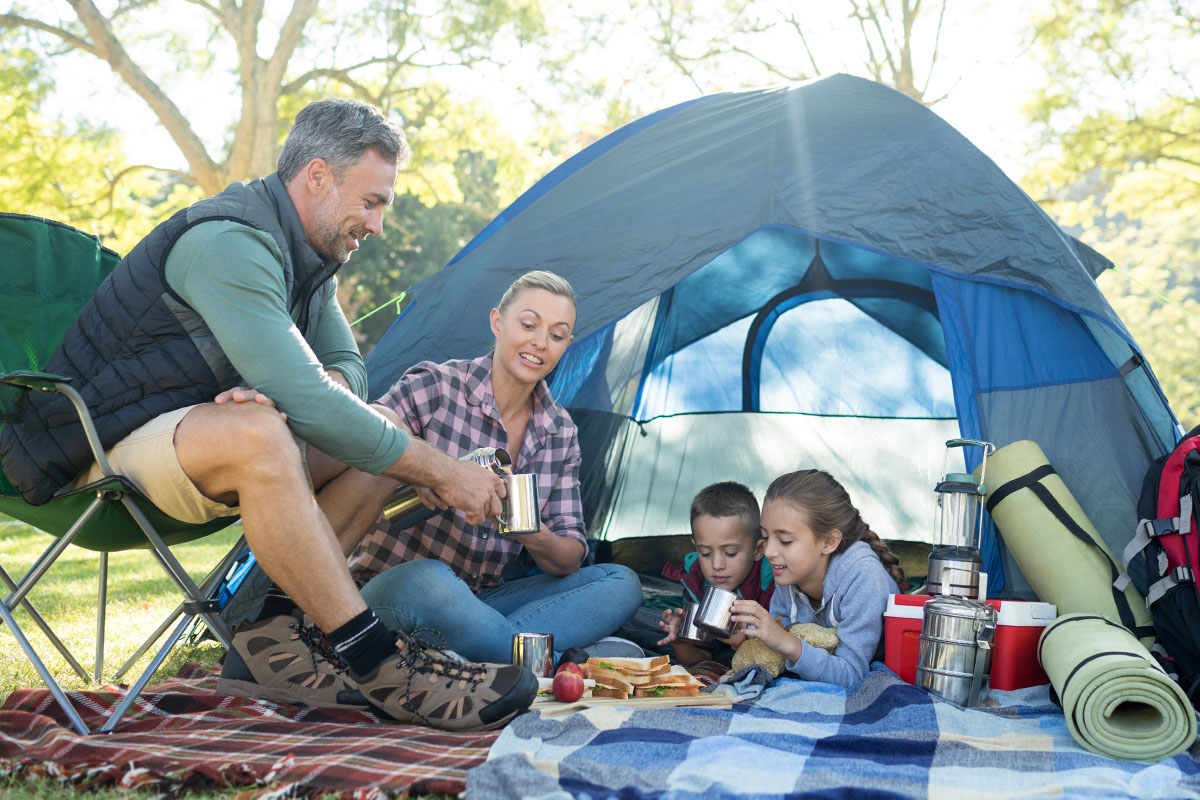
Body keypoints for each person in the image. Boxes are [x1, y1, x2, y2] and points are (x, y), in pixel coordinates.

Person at [0, 98, 537, 731]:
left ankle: (272, 632)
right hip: (93, 453)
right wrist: (441, 471)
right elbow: (310, 401)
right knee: (264, 432)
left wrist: (306, 390)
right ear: (317, 176)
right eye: (372, 201)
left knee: (379, 437)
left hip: (188, 441)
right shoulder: (227, 241)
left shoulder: (311, 265)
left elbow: (346, 374)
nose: (379, 224)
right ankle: (375, 660)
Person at [345, 270, 644, 664]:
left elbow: (570, 556)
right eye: (528, 324)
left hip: (481, 604)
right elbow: (367, 431)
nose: (539, 342)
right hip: (396, 589)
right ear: (497, 322)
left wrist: (531, 532)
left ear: (567, 345)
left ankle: (476, 656)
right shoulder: (437, 386)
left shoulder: (560, 432)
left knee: (620, 582)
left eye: (556, 335)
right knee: (430, 578)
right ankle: (539, 660)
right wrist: (435, 473)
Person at [730, 469, 906, 688]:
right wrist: (747, 639)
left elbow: (851, 674)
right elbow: (777, 652)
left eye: (784, 540)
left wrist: (787, 642)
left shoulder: (864, 577)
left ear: (829, 542)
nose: (769, 552)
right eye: (766, 537)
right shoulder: (788, 572)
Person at [657, 481, 775, 666]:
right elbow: (701, 661)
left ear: (758, 549)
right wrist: (679, 640)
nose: (717, 565)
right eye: (705, 553)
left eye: (730, 553)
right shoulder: (695, 581)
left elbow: (781, 655)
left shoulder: (772, 585)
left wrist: (743, 644)